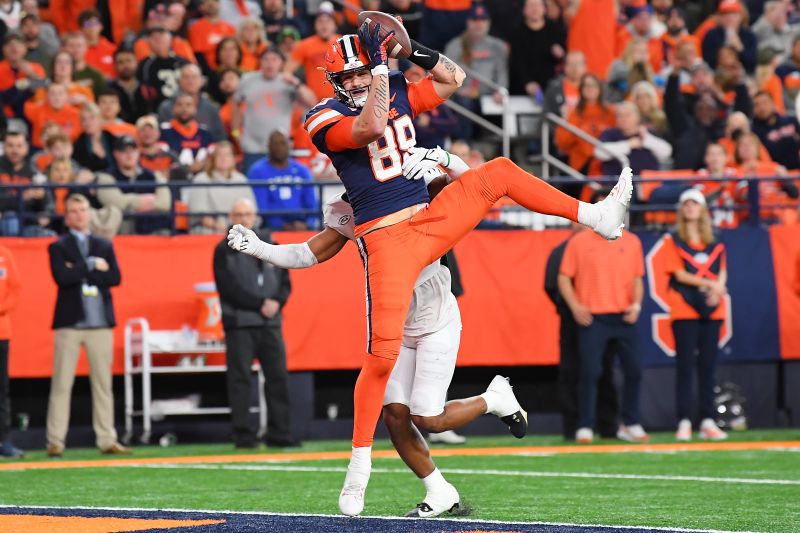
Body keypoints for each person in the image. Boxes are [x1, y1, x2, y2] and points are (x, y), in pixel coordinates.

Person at [304, 23, 632, 516]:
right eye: (347, 75)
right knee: (380, 359)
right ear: (335, 80)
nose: (354, 82)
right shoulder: (323, 115)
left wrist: (411, 50)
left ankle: (595, 215)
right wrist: (376, 69)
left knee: (497, 171)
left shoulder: (389, 84)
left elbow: (452, 80)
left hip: (427, 225)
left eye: (358, 73)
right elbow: (370, 128)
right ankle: (359, 468)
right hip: (385, 239)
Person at [228, 156, 524, 517]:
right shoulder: (351, 206)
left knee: (428, 418)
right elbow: (309, 253)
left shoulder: (414, 183)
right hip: (395, 325)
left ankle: (494, 398)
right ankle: (440, 490)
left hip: (435, 321)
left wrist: (444, 163)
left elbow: (472, 189)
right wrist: (260, 248)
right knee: (394, 416)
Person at [558, 190, 647, 444]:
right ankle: (585, 425)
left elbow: (637, 279)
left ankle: (631, 423)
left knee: (634, 371)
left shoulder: (631, 242)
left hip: (624, 316)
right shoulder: (579, 241)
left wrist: (637, 305)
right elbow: (564, 277)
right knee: (590, 373)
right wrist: (576, 306)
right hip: (594, 318)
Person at [46, 193, 131, 457]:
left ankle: (107, 438)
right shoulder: (57, 247)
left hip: (100, 323)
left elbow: (115, 277)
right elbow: (62, 277)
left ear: (89, 213)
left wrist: (79, 268)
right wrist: (92, 265)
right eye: (73, 211)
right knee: (62, 383)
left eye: (83, 209)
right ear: (67, 216)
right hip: (70, 324)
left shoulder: (103, 244)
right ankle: (55, 440)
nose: (79, 215)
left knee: (103, 384)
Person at [213, 198, 294, 449]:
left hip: (270, 323)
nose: (243, 219)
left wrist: (276, 302)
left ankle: (280, 433)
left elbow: (285, 280)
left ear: (255, 216)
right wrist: (260, 303)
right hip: (240, 324)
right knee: (239, 380)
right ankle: (243, 434)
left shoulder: (270, 243)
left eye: (247, 214)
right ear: (230, 216)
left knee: (277, 377)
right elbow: (227, 288)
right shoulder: (223, 249)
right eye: (238, 214)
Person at [663, 189, 729, 441]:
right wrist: (712, 285)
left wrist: (717, 289)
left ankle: (708, 420)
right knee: (685, 368)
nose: (690, 208)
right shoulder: (673, 240)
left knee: (708, 368)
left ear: (702, 209)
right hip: (684, 308)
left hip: (713, 310)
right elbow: (679, 274)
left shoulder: (716, 240)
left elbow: (723, 271)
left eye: (695, 204)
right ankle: (684, 421)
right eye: (686, 204)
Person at [544, 223, 619, 440]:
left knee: (603, 370)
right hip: (572, 321)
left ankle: (608, 425)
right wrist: (571, 308)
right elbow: (552, 285)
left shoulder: (605, 246)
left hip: (600, 319)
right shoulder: (562, 250)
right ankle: (575, 425)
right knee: (572, 371)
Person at [232, 46, 316, 172]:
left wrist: (296, 83)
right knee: (253, 187)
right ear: (260, 62)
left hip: (280, 148)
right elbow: (236, 104)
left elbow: (312, 102)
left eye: (274, 59)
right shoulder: (247, 80)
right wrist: (236, 132)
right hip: (252, 147)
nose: (269, 64)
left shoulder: (288, 82)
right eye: (266, 59)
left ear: (281, 63)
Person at [96, 135, 172, 235]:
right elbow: (117, 203)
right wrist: (145, 200)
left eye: (133, 150)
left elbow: (165, 203)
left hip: (155, 232)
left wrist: (131, 204)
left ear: (138, 152)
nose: (129, 155)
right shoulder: (106, 177)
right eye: (124, 151)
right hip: (122, 233)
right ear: (115, 154)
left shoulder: (153, 175)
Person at [246, 131, 317, 231]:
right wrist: (280, 225)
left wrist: (308, 224)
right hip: (271, 226)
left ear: (289, 145)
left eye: (283, 143)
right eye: (275, 143)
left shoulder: (302, 170)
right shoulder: (257, 171)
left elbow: (312, 203)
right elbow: (262, 206)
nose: (279, 147)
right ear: (269, 146)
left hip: (302, 224)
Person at [554, 73, 615, 178]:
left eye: (593, 85)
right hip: (582, 163)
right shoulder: (574, 113)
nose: (590, 89)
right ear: (581, 89)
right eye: (586, 86)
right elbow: (562, 143)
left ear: (599, 88)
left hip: (606, 160)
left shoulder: (610, 112)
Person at [188, 141, 256, 234]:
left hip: (241, 232)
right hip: (209, 232)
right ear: (213, 159)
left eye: (227, 155)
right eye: (220, 155)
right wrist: (223, 229)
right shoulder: (201, 180)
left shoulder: (241, 180)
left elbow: (252, 211)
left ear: (233, 159)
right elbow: (199, 214)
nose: (224, 158)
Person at [596, 101, 672, 176]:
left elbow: (666, 152)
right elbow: (600, 153)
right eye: (620, 115)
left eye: (628, 115)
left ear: (638, 117)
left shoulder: (647, 133)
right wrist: (628, 144)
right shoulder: (610, 133)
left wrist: (647, 139)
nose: (624, 118)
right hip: (619, 183)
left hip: (648, 183)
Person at [508, 0, 566, 98]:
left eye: (538, 5)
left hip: (550, 87)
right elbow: (516, 62)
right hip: (521, 87)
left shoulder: (556, 30)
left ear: (544, 9)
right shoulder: (516, 32)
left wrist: (561, 55)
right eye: (530, 6)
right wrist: (527, 82)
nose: (535, 9)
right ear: (524, 10)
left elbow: (565, 60)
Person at [157, 63, 226, 142]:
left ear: (202, 81)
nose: (190, 81)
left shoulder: (212, 108)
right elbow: (161, 137)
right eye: (186, 77)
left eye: (194, 77)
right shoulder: (167, 107)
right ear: (179, 81)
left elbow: (220, 138)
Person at [285, 6, 340, 100]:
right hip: (315, 103)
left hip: (342, 101)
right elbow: (286, 73)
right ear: (315, 25)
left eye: (328, 21)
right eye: (320, 21)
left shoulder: (344, 42)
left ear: (335, 25)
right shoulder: (304, 45)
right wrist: (300, 87)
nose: (324, 25)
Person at [0, 243, 22, 457]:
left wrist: (1, 308)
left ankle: (3, 440)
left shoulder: (5, 254)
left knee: (2, 388)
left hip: (1, 331)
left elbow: (16, 287)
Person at [136, 26, 191, 110]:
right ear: (149, 42)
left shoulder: (183, 62)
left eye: (162, 38)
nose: (159, 42)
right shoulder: (145, 65)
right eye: (155, 39)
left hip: (184, 106)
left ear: (170, 40)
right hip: (158, 108)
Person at [702, 0, 757, 74]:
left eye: (733, 14)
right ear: (719, 17)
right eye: (725, 14)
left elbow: (752, 65)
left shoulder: (749, 36)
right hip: (717, 75)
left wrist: (740, 48)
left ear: (741, 16)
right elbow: (708, 62)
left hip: (743, 75)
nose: (729, 18)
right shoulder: (711, 35)